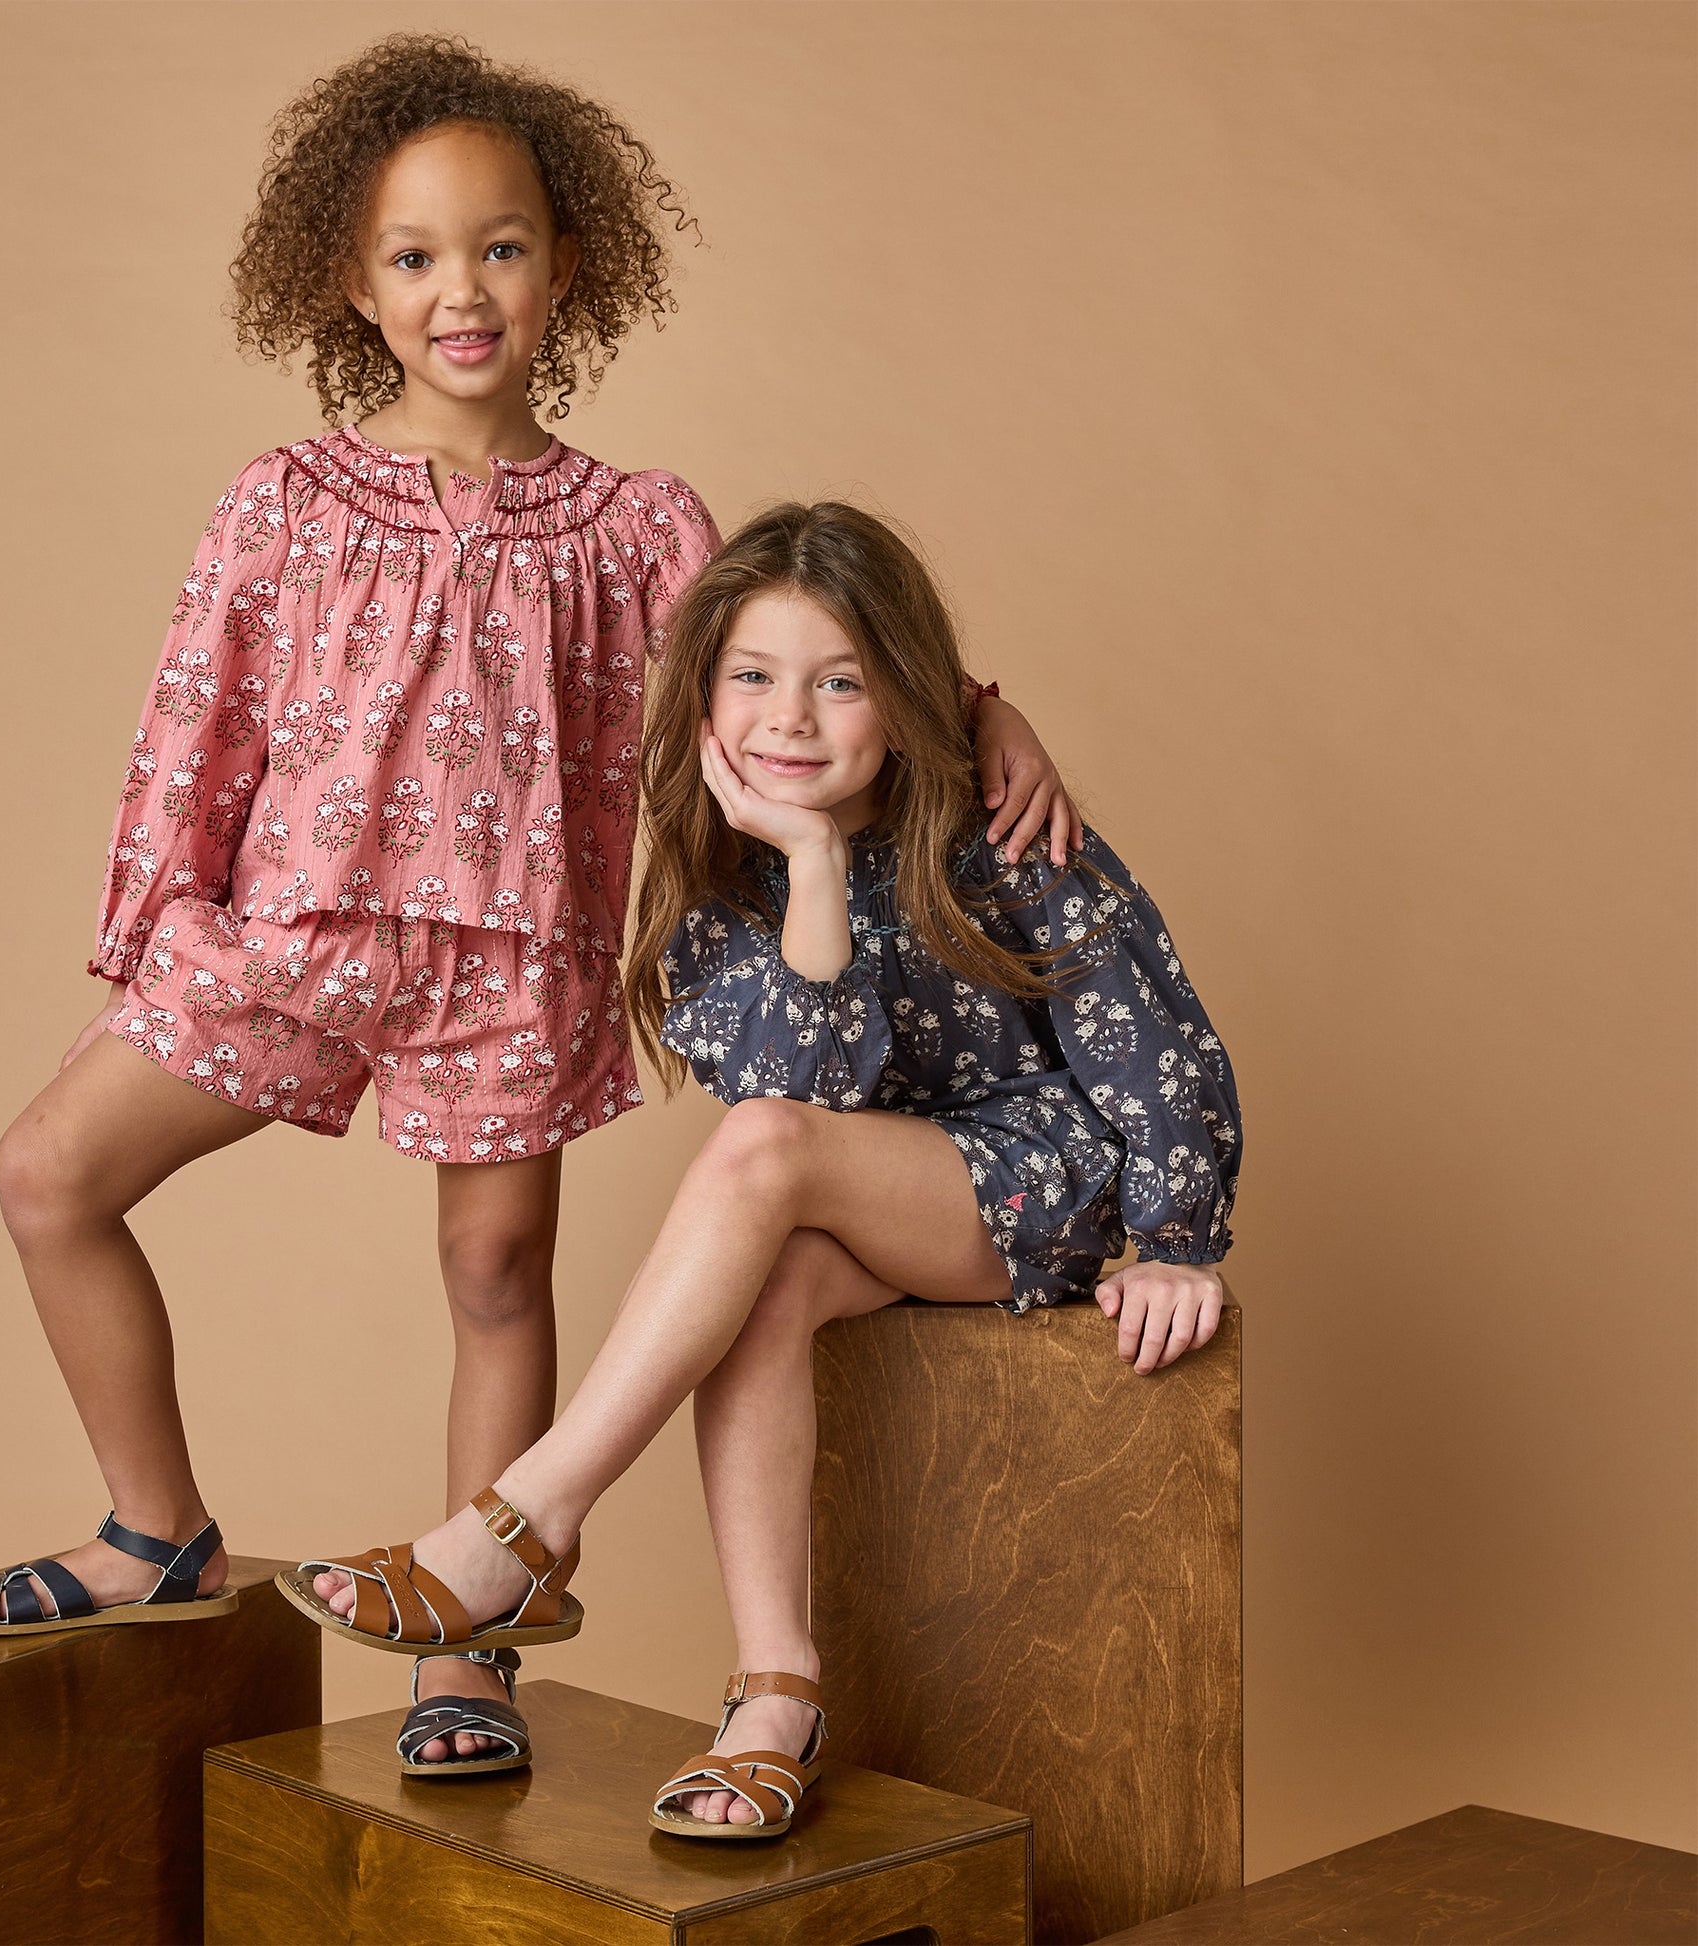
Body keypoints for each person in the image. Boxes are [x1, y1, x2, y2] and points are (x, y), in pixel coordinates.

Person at [0, 40, 1074, 1778]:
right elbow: (195, 718)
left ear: (567, 264)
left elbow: (784, 663)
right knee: (48, 1172)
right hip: (295, 936)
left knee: (491, 1274)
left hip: (510, 959)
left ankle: (469, 1651)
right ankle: (150, 1528)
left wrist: (980, 707)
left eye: (502, 248)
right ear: (350, 282)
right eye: (413, 257)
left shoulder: (633, 525)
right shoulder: (282, 498)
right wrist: (162, 918)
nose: (461, 290)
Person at [281, 500, 1240, 1832]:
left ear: (903, 706)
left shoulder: (1002, 828)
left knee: (762, 1150)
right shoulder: (723, 883)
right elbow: (813, 1089)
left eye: (839, 682)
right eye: (754, 678)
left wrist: (1178, 1232)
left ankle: (526, 1521)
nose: (790, 717)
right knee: (768, 1279)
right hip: (860, 1193)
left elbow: (1145, 1027)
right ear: (706, 704)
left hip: (1041, 1179)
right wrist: (806, 860)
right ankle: (774, 1694)